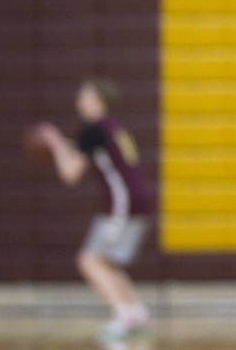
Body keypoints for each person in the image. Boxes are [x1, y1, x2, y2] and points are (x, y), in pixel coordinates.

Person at [38, 77, 154, 342]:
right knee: (106, 261)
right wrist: (65, 144)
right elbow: (90, 152)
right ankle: (136, 311)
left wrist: (55, 145)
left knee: (89, 260)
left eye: (84, 95)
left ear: (97, 101)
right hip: (138, 199)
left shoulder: (91, 129)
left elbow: (70, 173)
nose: (79, 100)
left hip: (122, 204)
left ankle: (123, 314)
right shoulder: (112, 127)